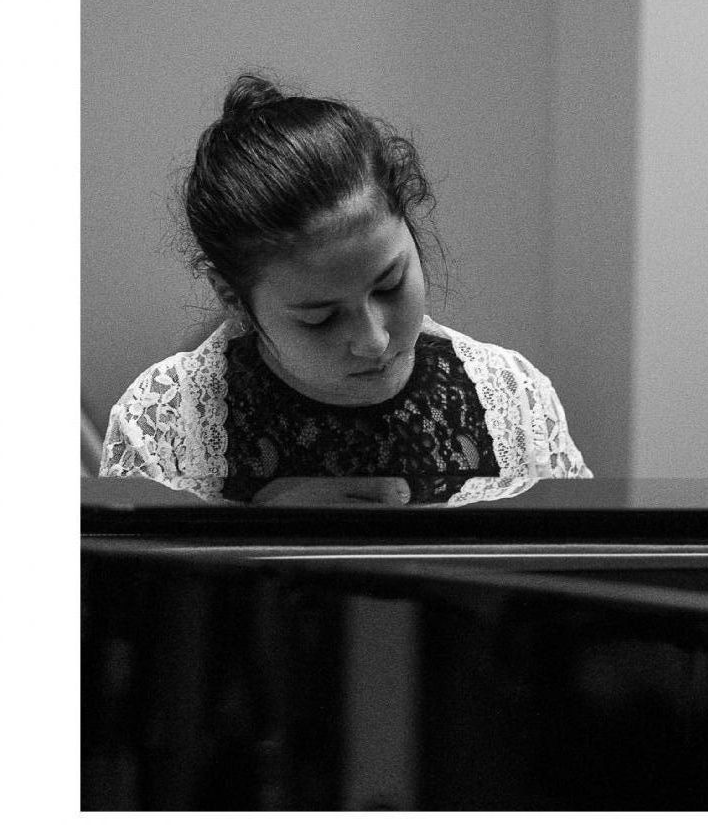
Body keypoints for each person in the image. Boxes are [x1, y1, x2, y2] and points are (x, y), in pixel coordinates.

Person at [100, 74, 591, 505]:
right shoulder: (165, 423)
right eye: (320, 318)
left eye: (390, 285)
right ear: (232, 298)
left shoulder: (514, 403)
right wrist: (258, 533)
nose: (374, 340)